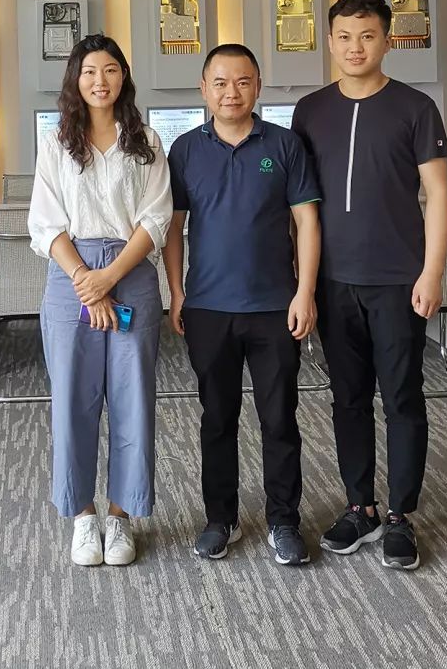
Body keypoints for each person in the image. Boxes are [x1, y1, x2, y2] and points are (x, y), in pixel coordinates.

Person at [290, 0, 447, 572]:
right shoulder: (309, 110)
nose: (355, 47)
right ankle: (360, 506)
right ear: (329, 42)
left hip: (398, 281)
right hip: (333, 282)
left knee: (403, 397)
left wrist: (432, 271)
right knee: (348, 399)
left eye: (367, 36)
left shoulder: (416, 108)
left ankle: (401, 515)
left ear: (386, 40)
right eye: (344, 37)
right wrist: (301, 281)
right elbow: (300, 205)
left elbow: (438, 195)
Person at [165, 43, 321, 566]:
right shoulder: (185, 150)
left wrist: (304, 292)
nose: (231, 92)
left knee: (279, 418)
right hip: (209, 308)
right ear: (203, 89)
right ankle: (221, 519)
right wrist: (177, 292)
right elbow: (173, 229)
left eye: (243, 81)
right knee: (217, 418)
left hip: (275, 307)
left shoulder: (285, 144)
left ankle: (283, 520)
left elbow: (306, 222)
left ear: (258, 86)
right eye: (220, 82)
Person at [28, 34, 172, 567]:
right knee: (73, 400)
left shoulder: (146, 140)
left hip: (130, 273)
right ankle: (83, 517)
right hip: (71, 280)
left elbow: (156, 218)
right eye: (89, 71)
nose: (100, 80)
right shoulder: (55, 144)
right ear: (76, 79)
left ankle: (121, 516)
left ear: (123, 77)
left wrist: (108, 277)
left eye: (110, 70)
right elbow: (45, 223)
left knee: (133, 400)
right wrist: (87, 281)